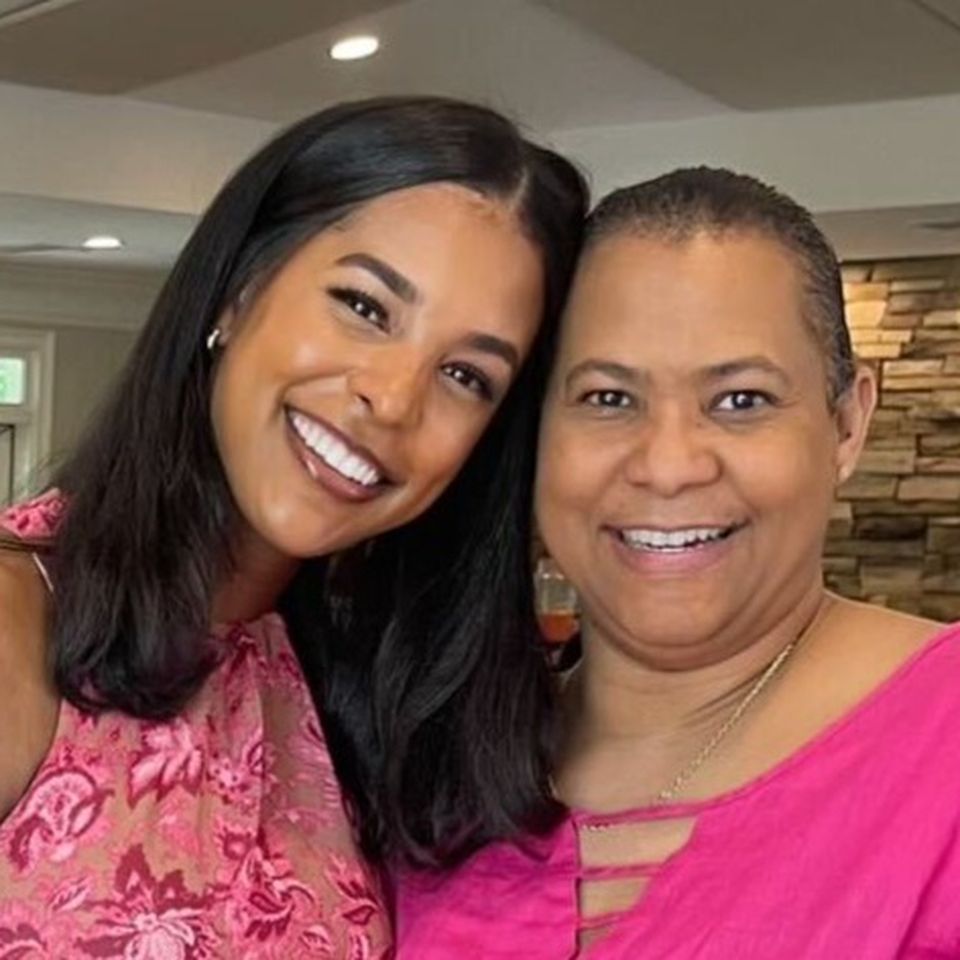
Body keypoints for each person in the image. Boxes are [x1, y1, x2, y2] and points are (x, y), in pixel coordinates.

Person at [0, 96, 586, 956]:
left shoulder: (356, 692)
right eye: (365, 307)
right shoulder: (18, 622)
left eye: (466, 375)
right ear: (238, 292)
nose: (393, 399)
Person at [395, 168, 960, 958]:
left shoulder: (942, 742)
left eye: (741, 401)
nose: (667, 466)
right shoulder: (437, 765)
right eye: (607, 398)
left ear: (846, 424)